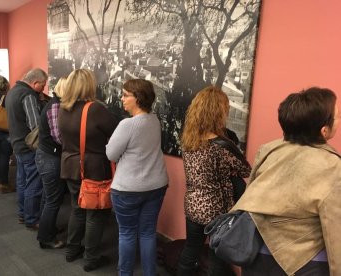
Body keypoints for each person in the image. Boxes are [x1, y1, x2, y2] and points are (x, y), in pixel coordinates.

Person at [233, 87, 341, 275]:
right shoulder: (332, 166)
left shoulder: (268, 150)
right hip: (300, 263)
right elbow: (336, 234)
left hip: (254, 250)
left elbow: (251, 198)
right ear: (324, 130)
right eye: (337, 116)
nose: (339, 120)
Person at [177, 86, 251, 276]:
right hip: (218, 212)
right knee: (217, 259)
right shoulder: (223, 146)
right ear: (218, 112)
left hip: (193, 205)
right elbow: (246, 169)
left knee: (190, 251)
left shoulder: (189, 140)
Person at [106, 79, 168, 276]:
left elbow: (111, 154)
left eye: (126, 95)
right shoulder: (155, 120)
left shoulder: (127, 125)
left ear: (138, 98)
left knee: (127, 233)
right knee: (148, 233)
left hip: (128, 189)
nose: (121, 98)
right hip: (156, 185)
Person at [57, 69, 118, 272]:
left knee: (77, 208)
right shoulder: (95, 109)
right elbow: (116, 133)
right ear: (89, 85)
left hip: (69, 165)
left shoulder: (62, 108)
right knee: (95, 214)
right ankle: (90, 258)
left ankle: (72, 249)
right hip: (92, 168)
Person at [5, 68, 47, 230]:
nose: (43, 88)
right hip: (29, 146)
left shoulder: (13, 91)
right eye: (42, 85)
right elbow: (35, 126)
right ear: (35, 82)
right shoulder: (28, 95)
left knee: (22, 181)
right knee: (34, 184)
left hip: (17, 144)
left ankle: (23, 214)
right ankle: (31, 218)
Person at [36, 76, 67, 249]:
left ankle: (46, 228)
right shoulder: (55, 106)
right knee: (53, 199)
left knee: (48, 197)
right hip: (50, 157)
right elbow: (59, 137)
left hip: (47, 156)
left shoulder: (54, 103)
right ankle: (46, 237)